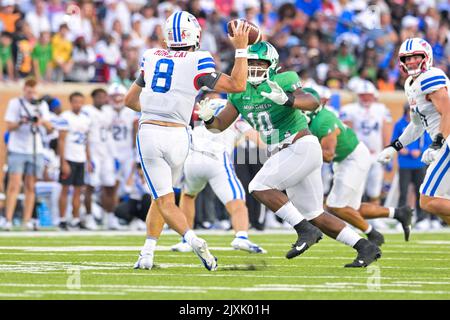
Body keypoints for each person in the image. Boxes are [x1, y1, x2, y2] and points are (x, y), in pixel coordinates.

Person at [197, 41, 381, 268]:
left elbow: (312, 102)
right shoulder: (238, 92)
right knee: (315, 213)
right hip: (289, 152)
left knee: (259, 186)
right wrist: (207, 119)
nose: (254, 67)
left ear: (272, 65)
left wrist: (288, 99)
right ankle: (365, 247)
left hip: (300, 145)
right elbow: (219, 126)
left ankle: (304, 230)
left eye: (259, 63)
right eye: (250, 63)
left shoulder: (283, 80)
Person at [124, 11, 252, 271]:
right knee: (160, 199)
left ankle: (193, 240)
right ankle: (147, 253)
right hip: (180, 135)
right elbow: (238, 85)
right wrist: (241, 50)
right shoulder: (199, 59)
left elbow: (129, 100)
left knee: (164, 200)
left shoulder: (150, 56)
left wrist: (153, 109)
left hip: (151, 132)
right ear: (195, 34)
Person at [304, 100, 413, 247]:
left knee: (335, 206)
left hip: (351, 159)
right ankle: (399, 213)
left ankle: (372, 234)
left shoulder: (322, 122)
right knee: (351, 209)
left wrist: (304, 151)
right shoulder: (319, 118)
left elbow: (328, 156)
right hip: (348, 158)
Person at [171, 95, 266, 253]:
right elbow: (256, 138)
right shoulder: (235, 111)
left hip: (193, 158)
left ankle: (186, 240)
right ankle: (241, 237)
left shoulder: (204, 109)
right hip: (217, 158)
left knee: (188, 195)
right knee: (237, 200)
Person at [378, 37, 450, 225]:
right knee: (441, 206)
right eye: (407, 58)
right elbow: (417, 125)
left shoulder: (430, 77)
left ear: (426, 57)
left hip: (446, 143)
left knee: (428, 201)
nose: (411, 62)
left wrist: (436, 144)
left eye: (415, 57)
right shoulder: (411, 84)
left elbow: (448, 112)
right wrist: (393, 147)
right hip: (443, 142)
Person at [3, 77, 53, 230]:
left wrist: (41, 121)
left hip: (35, 149)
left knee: (31, 186)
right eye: (29, 91)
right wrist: (21, 121)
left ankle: (27, 220)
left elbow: (50, 128)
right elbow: (9, 126)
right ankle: (8, 219)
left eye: (34, 91)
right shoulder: (15, 103)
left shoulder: (42, 105)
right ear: (24, 89)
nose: (31, 94)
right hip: (17, 148)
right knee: (14, 184)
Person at [340, 80, 393, 204]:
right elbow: (348, 133)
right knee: (356, 189)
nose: (366, 98)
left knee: (375, 190)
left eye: (368, 95)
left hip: (376, 154)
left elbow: (386, 131)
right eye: (362, 95)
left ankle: (374, 219)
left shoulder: (381, 109)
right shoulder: (349, 109)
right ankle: (354, 218)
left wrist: (387, 151)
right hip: (357, 155)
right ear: (357, 95)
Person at [392, 104, 435, 230]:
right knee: (403, 191)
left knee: (420, 191)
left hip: (419, 162)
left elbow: (429, 141)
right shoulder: (399, 124)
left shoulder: (423, 124)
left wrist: (421, 151)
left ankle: (422, 218)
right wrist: (400, 149)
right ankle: (401, 218)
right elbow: (395, 140)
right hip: (405, 163)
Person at [82, 88, 119, 230]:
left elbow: (109, 134)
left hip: (106, 153)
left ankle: (109, 217)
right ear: (93, 97)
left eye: (104, 96)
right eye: (99, 96)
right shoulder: (87, 111)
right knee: (91, 186)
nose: (102, 99)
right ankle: (89, 217)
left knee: (109, 186)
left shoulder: (108, 111)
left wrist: (114, 155)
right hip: (93, 152)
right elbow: (85, 135)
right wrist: (88, 157)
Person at [57, 92, 91, 230]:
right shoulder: (65, 117)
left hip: (80, 158)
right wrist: (63, 161)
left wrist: (88, 160)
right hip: (69, 158)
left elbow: (86, 141)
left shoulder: (86, 118)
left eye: (80, 102)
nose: (78, 104)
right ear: (71, 102)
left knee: (79, 190)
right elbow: (61, 140)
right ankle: (62, 219)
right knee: (65, 189)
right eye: (75, 101)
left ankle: (76, 219)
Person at [108, 83, 139, 200]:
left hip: (127, 152)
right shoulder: (105, 111)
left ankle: (129, 213)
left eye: (119, 96)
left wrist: (135, 153)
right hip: (110, 152)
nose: (117, 99)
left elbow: (136, 133)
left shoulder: (131, 112)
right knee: (110, 184)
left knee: (131, 184)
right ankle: (111, 213)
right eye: (113, 96)